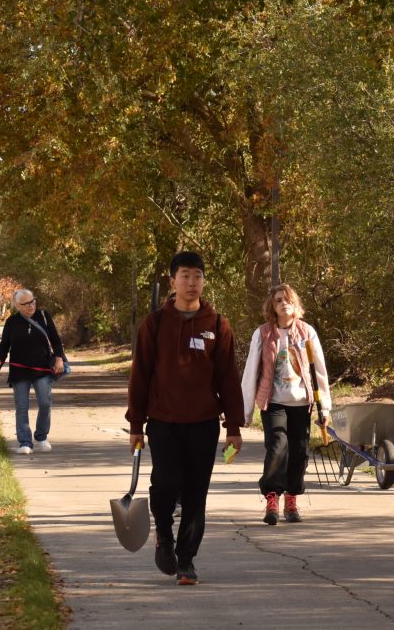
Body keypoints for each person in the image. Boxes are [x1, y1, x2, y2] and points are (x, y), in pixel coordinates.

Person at [126, 251, 245, 586]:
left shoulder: (218, 325)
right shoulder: (154, 324)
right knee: (165, 483)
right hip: (163, 421)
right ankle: (163, 532)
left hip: (204, 423)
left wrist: (233, 427)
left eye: (197, 276)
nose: (192, 283)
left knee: (196, 491)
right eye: (185, 276)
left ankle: (187, 560)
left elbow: (228, 378)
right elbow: (141, 376)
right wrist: (136, 425)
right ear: (172, 280)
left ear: (204, 281)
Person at [241, 283, 331, 526]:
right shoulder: (262, 334)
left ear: (295, 304)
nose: (283, 303)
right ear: (272, 306)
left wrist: (326, 408)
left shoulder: (307, 332)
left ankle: (291, 498)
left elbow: (319, 371)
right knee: (277, 447)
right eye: (278, 300)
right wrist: (245, 411)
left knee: (299, 452)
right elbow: (251, 372)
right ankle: (272, 498)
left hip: (302, 402)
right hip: (274, 402)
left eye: (287, 299)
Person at [0, 289, 66, 455]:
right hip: (20, 370)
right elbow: (4, 344)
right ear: (18, 305)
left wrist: (59, 358)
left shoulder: (44, 316)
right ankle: (25, 442)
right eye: (26, 304)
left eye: (32, 301)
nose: (31, 305)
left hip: (42, 368)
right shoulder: (12, 322)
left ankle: (41, 436)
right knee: (22, 406)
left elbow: (56, 340)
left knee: (45, 403)